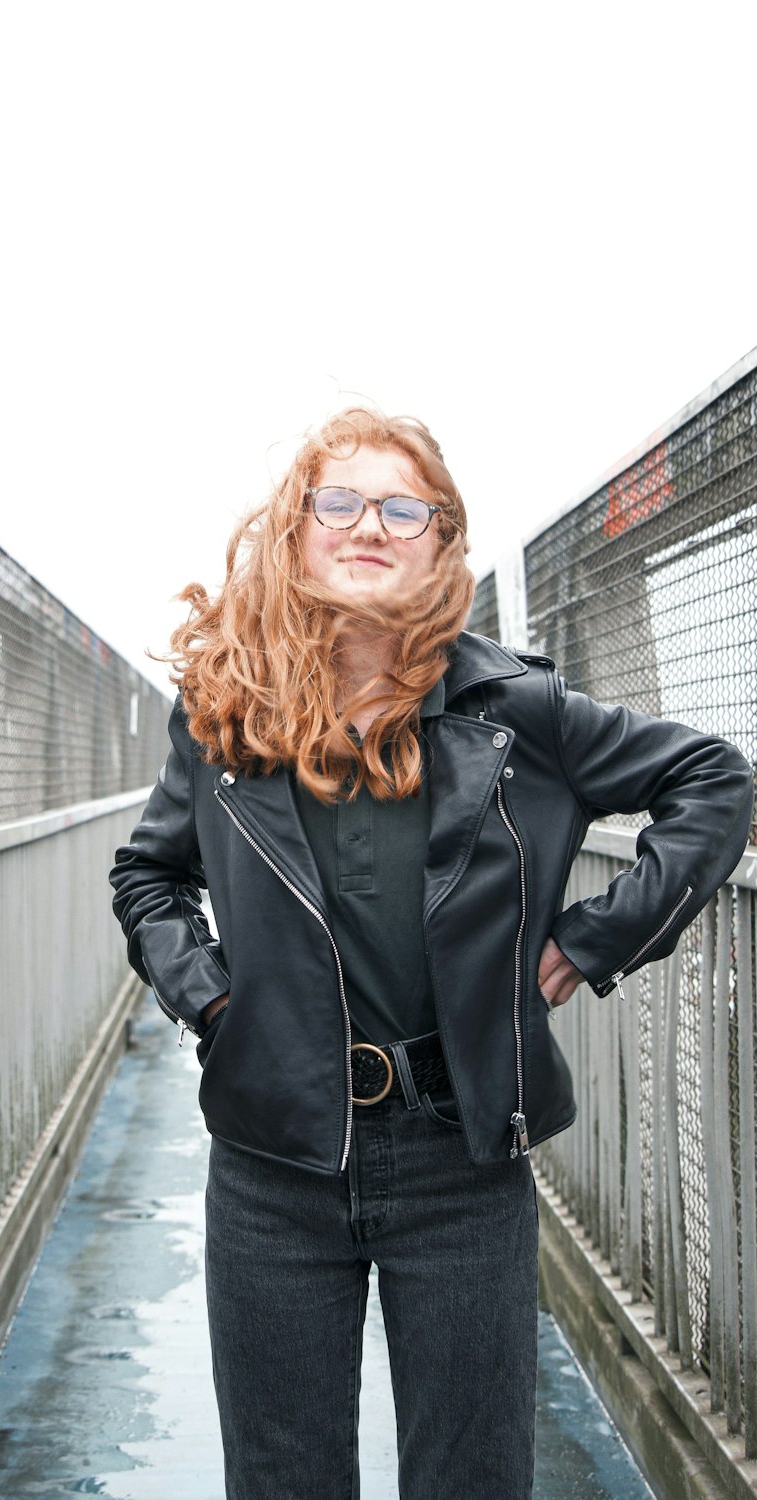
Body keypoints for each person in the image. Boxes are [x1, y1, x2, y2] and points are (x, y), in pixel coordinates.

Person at [109, 407, 753, 1500]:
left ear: (441, 539)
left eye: (405, 507)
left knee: (471, 1479)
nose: (372, 525)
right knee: (281, 1480)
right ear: (297, 529)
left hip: (460, 1154)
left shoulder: (517, 707)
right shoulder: (223, 709)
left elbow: (713, 781)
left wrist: (590, 942)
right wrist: (216, 1006)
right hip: (271, 1161)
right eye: (341, 502)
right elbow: (147, 877)